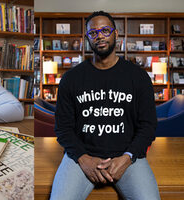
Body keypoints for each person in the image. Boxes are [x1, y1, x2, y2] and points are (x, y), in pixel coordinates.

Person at [50, 11, 160, 200]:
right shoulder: (71, 79)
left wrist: (127, 157)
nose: (99, 36)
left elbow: (148, 126)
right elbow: (63, 129)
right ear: (87, 38)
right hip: (81, 158)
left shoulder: (138, 77)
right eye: (93, 33)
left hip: (128, 157)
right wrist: (83, 159)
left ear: (116, 34)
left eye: (105, 30)